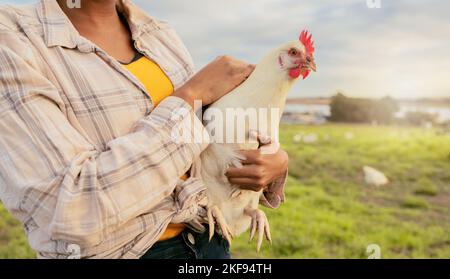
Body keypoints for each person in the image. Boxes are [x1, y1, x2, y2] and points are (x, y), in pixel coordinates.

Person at [0, 0, 288, 259]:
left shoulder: (160, 34)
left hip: (208, 240)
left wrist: (270, 162)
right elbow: (70, 210)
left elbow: (198, 146)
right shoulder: (14, 37)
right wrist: (189, 96)